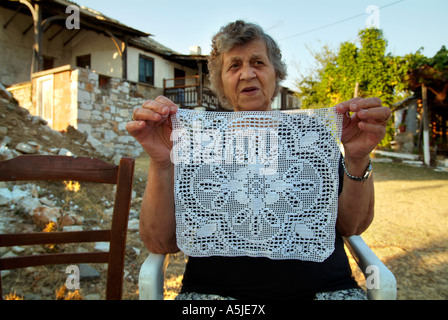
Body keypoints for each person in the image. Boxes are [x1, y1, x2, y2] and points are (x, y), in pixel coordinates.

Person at [126, 20, 391, 300]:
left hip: (323, 291)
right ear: (220, 82)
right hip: (216, 297)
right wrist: (161, 161)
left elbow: (352, 227)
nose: (247, 74)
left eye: (258, 62)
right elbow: (159, 241)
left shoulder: (312, 137)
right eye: (234, 66)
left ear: (276, 74)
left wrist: (357, 157)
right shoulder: (198, 141)